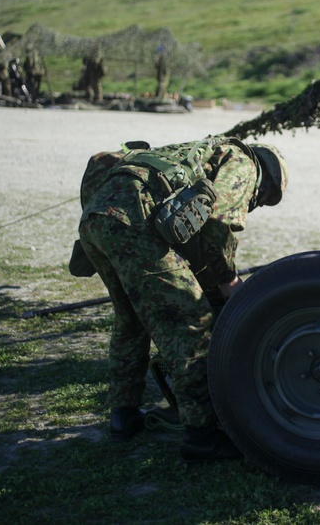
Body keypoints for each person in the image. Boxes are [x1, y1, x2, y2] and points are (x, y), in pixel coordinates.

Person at [76, 139, 288, 462]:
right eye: (266, 199)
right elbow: (218, 222)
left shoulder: (200, 152)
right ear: (269, 182)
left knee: (131, 319)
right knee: (191, 323)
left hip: (97, 217)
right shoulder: (245, 164)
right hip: (135, 221)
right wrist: (228, 280)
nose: (258, 203)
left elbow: (101, 164)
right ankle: (201, 436)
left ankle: (124, 416)